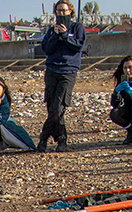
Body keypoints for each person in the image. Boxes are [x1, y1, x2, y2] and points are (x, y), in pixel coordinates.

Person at [38, 0, 86, 152]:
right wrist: (55, 35)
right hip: (52, 69)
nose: (61, 13)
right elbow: (46, 49)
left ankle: (44, 138)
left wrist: (65, 36)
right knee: (52, 107)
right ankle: (61, 140)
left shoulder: (77, 27)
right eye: (59, 11)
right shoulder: (52, 30)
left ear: (70, 12)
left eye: (64, 10)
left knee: (58, 107)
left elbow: (78, 45)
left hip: (68, 70)